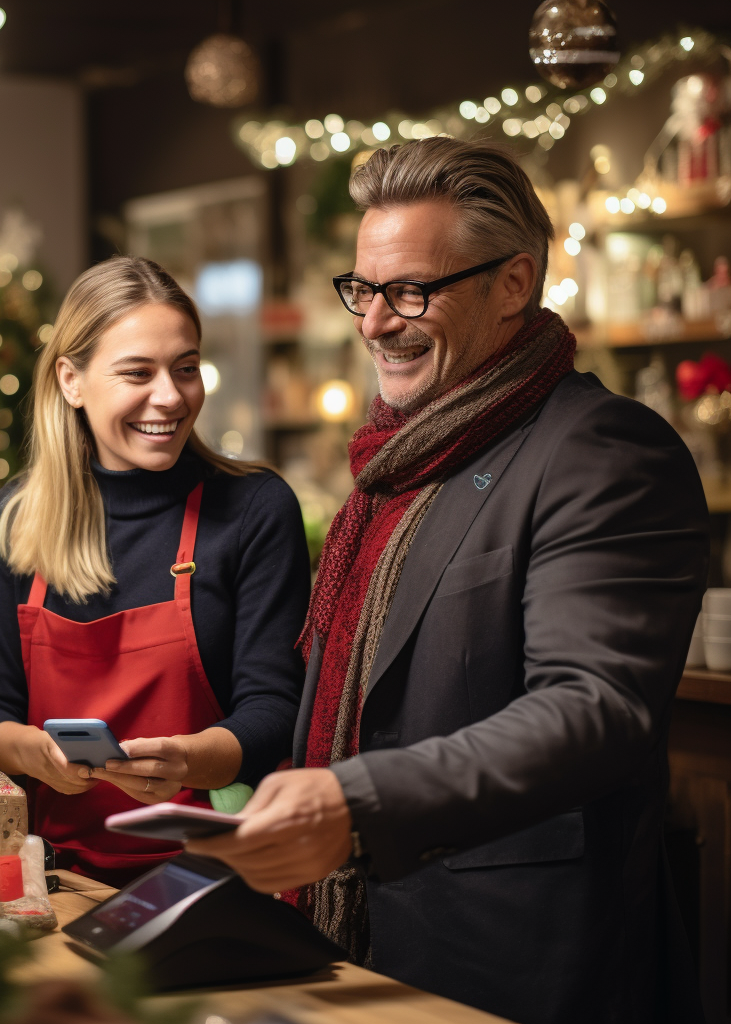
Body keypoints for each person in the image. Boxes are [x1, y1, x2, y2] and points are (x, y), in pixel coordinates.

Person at [188, 138, 708, 1024]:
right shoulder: (397, 461)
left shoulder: (602, 450)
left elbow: (593, 707)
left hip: (516, 962)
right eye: (363, 289)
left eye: (411, 291)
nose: (375, 323)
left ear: (513, 283)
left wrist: (356, 800)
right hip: (355, 944)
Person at [0, 256, 310, 887]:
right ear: (71, 380)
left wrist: (189, 761)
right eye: (137, 373)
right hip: (54, 880)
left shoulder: (254, 508)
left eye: (187, 369)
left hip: (214, 875)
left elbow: (277, 708)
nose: (170, 397)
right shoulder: (17, 516)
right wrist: (36, 755)